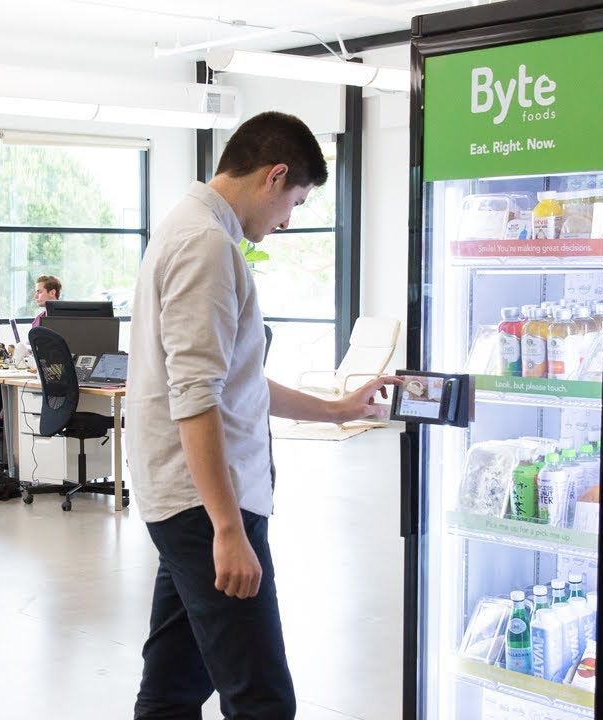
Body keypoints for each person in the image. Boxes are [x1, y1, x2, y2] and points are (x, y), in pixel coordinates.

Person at [127, 111, 400, 719]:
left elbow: (232, 381)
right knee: (262, 700)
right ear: (274, 176)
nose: (287, 221)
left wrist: (337, 410)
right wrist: (227, 529)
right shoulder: (206, 245)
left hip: (189, 503)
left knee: (172, 690)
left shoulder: (186, 228)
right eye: (294, 202)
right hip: (207, 506)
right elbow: (195, 397)